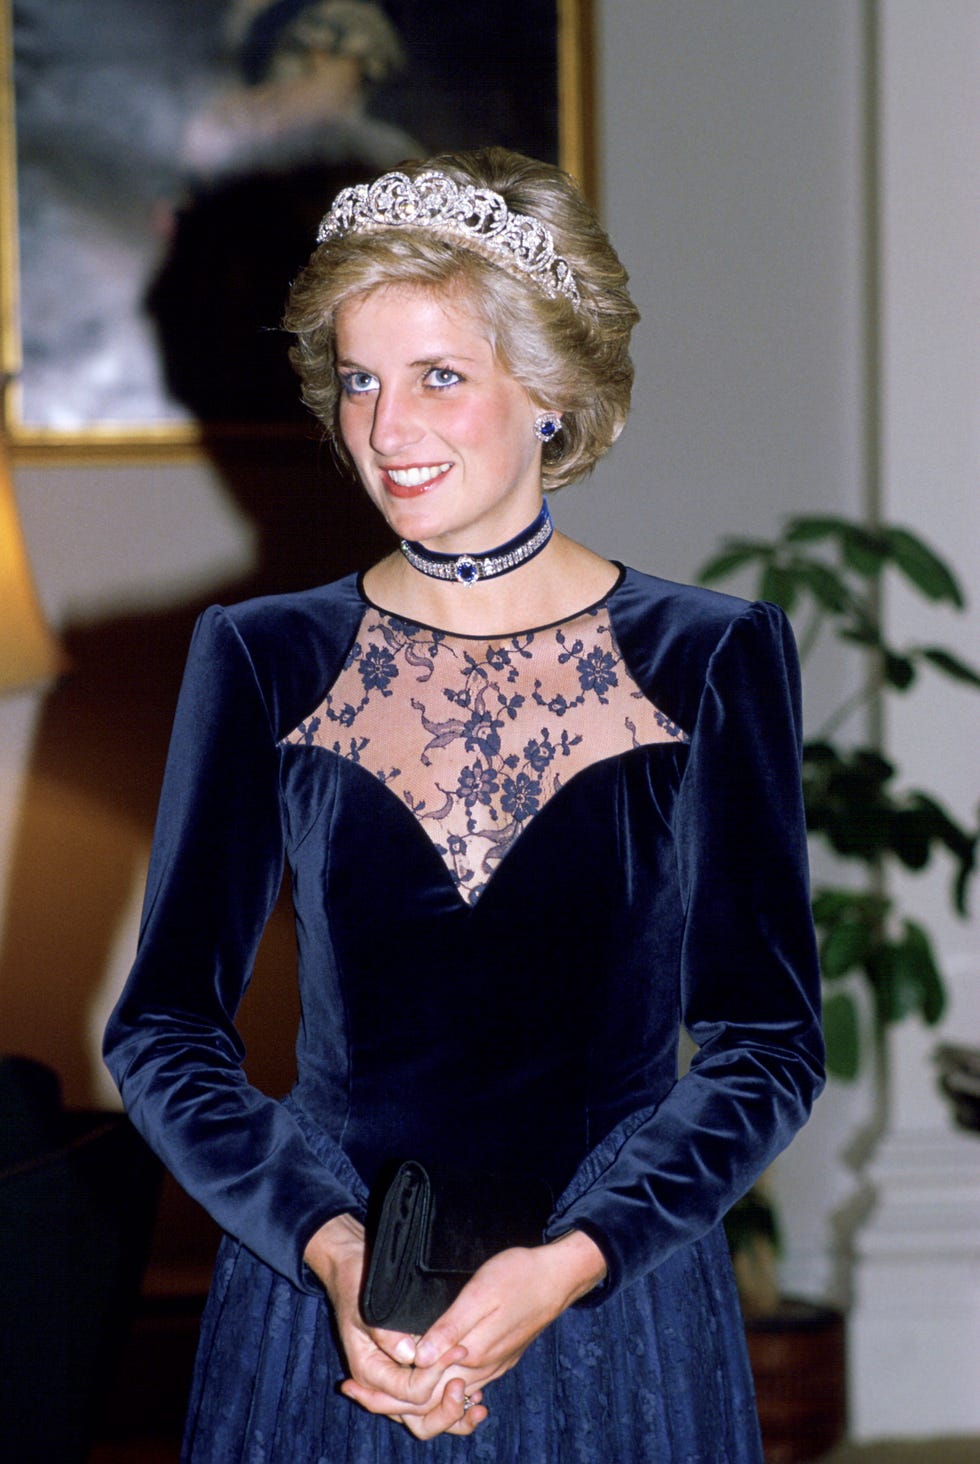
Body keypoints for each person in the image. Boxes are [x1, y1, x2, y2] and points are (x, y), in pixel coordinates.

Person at [104, 147, 825, 1461]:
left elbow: (769, 1042)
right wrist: (329, 1251)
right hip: (329, 1320)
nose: (386, 429)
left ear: (549, 392)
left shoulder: (709, 656)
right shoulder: (267, 655)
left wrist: (570, 1264)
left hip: (615, 1312)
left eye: (441, 377)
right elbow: (163, 1032)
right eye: (362, 379)